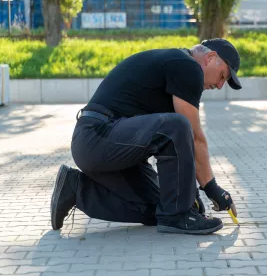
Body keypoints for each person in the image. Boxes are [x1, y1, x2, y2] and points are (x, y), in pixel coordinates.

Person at [50, 38, 241, 235]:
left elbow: (181, 146)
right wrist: (211, 188)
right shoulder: (188, 66)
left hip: (104, 145)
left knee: (163, 207)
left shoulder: (177, 66)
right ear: (210, 57)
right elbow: (193, 136)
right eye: (222, 76)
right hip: (97, 137)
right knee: (177, 125)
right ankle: (178, 217)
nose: (219, 85)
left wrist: (189, 195)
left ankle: (75, 189)